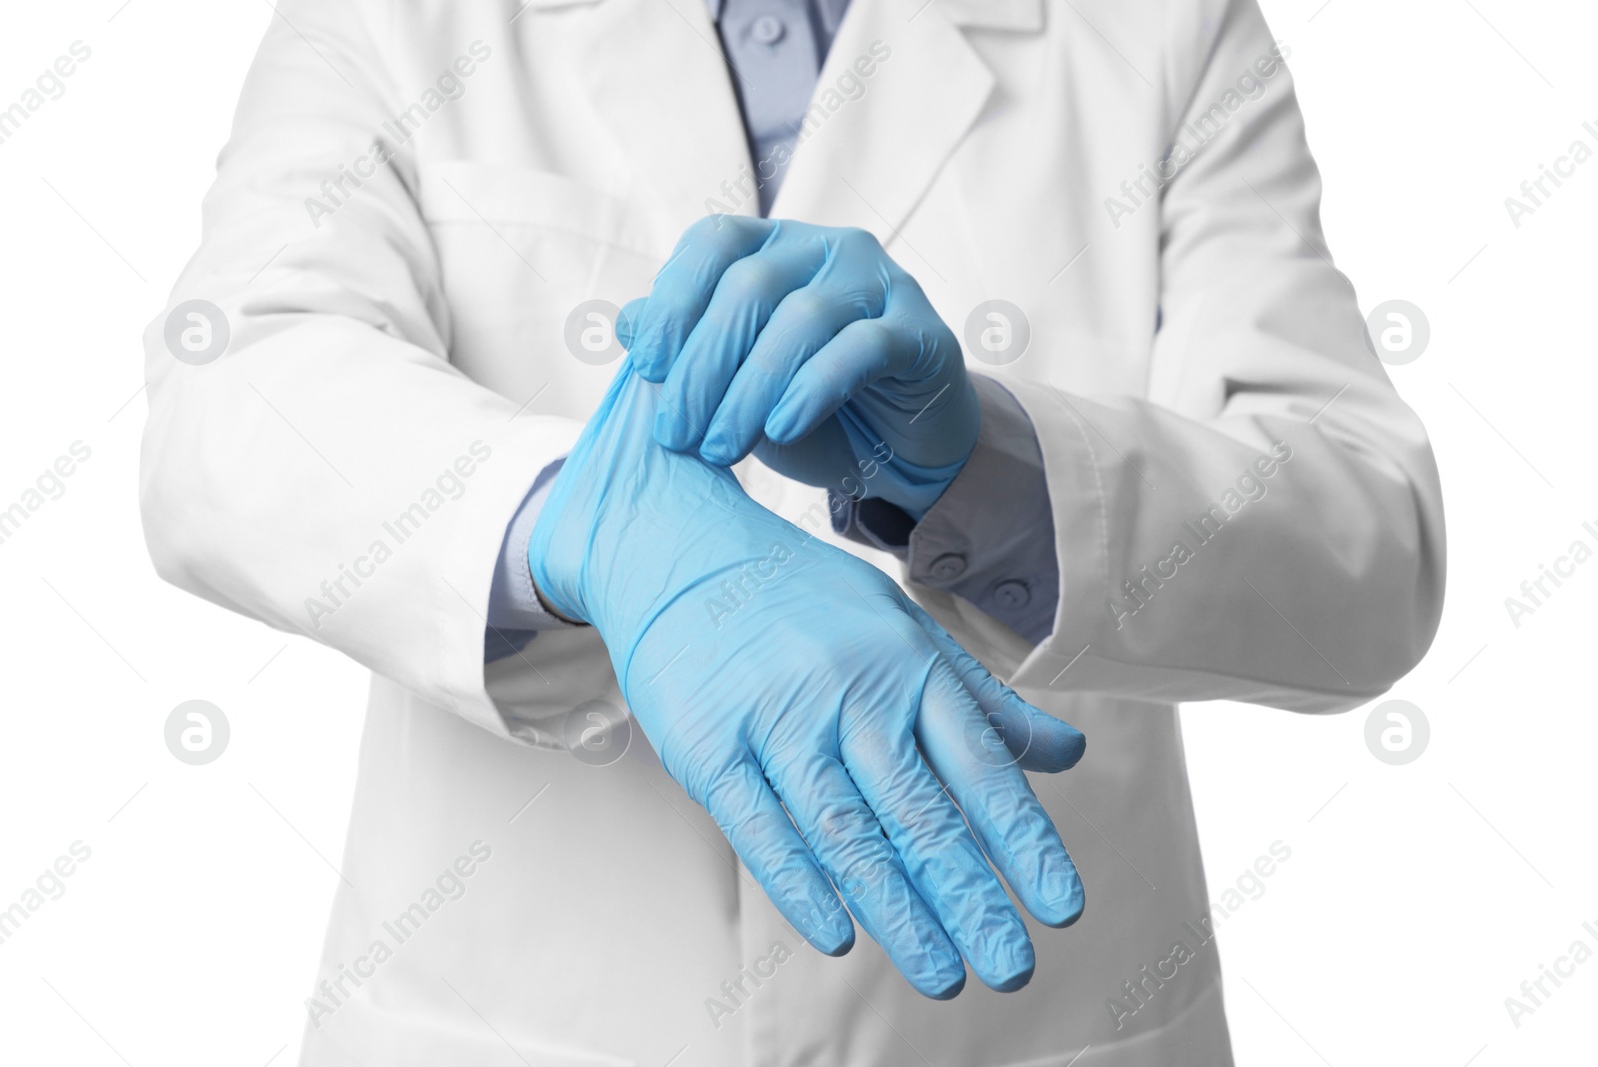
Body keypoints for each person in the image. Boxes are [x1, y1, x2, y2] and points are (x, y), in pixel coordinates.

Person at [140, 0, 1445, 1063]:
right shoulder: (393, 18)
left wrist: (985, 470)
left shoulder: (1167, 32)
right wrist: (584, 526)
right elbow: (228, 391)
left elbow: (1371, 540)